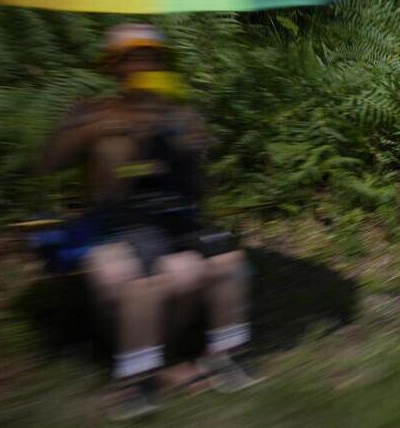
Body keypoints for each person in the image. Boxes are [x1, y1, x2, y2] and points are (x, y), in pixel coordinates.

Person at [40, 24, 257, 420]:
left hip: (170, 223)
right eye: (131, 58)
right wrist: (85, 128)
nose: (142, 64)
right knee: (131, 278)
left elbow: (199, 191)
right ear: (113, 68)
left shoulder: (179, 113)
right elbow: (50, 162)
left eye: (151, 57)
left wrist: (189, 146)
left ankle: (206, 357)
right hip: (113, 224)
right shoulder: (95, 111)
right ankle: (142, 374)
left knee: (206, 267)